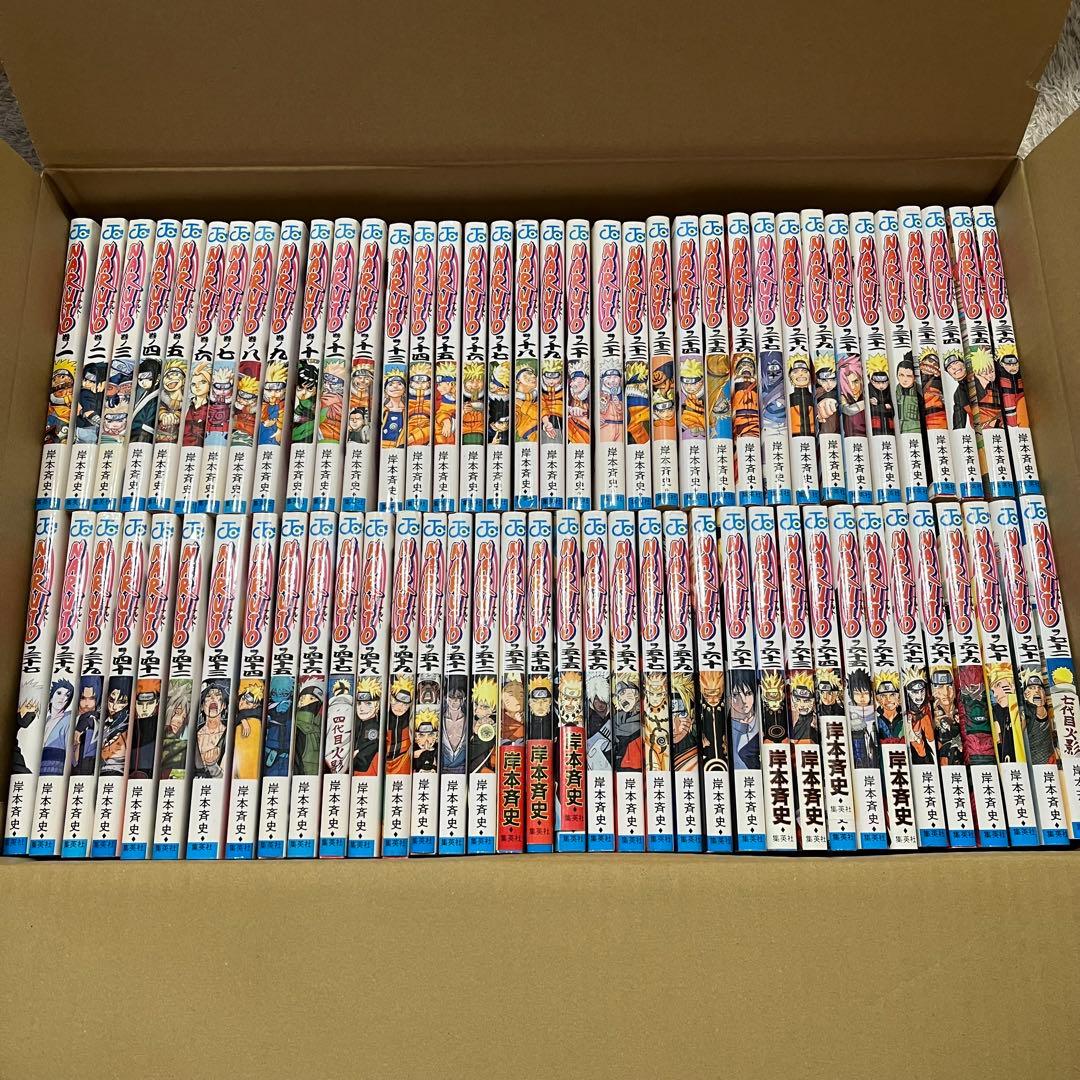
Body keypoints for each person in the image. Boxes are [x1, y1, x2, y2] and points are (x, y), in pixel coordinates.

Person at [729, 669, 759, 770]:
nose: (743, 700)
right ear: (729, 698)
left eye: (748, 693)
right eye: (736, 695)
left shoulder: (761, 724)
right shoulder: (728, 728)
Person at [351, 677, 382, 774]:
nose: (362, 708)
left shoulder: (373, 728)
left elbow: (362, 763)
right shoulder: (355, 723)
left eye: (368, 703)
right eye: (359, 703)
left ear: (377, 705)